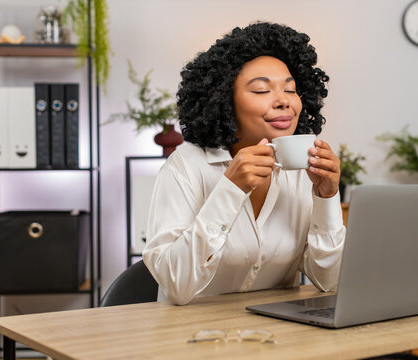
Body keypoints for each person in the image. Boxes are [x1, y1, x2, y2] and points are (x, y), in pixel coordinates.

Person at [143, 22, 346, 305]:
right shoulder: (186, 166)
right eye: (262, 90)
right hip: (194, 338)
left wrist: (327, 197)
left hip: (277, 337)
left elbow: (330, 281)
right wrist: (230, 188)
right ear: (225, 101)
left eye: (290, 90)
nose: (283, 102)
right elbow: (176, 284)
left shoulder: (301, 172)